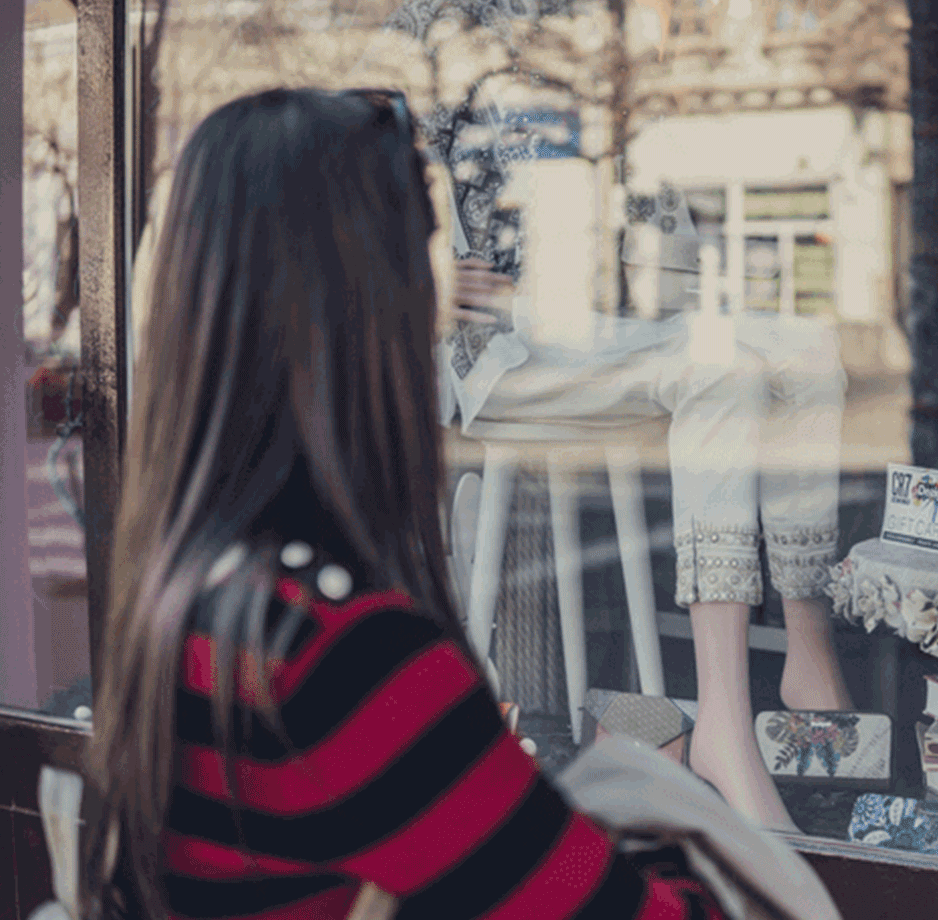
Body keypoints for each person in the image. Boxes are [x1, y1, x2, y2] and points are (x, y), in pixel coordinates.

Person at [81, 88, 739, 920]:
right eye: (429, 257)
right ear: (372, 305)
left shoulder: (188, 591)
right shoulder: (344, 656)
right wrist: (653, 821)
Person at [441, 198, 855, 833]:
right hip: (504, 348)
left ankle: (810, 658)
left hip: (608, 319)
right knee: (725, 370)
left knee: (809, 346)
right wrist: (427, 278)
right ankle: (724, 718)